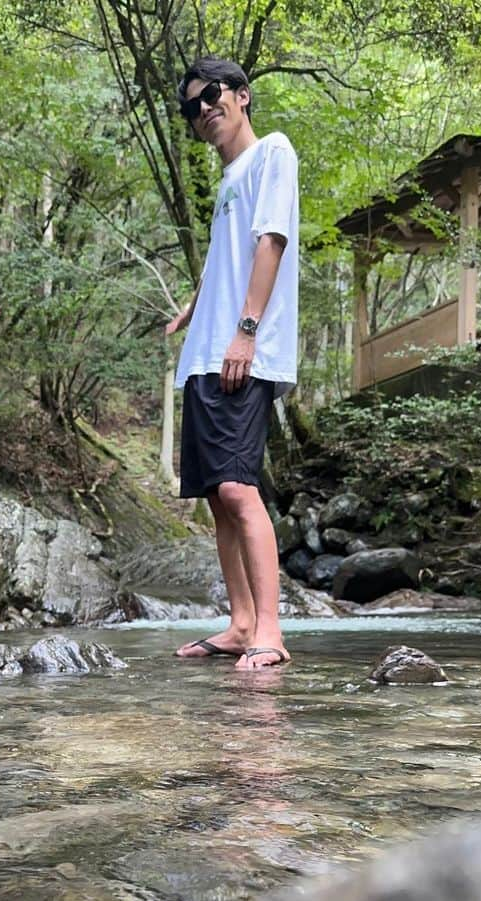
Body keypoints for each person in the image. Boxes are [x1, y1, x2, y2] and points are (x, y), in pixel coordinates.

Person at [165, 58, 298, 670]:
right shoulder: (228, 181)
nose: (203, 111)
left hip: (241, 353)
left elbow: (271, 240)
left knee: (240, 489)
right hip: (205, 356)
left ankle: (270, 631)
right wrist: (198, 302)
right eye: (192, 107)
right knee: (217, 497)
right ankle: (242, 622)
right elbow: (233, 250)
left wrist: (245, 330)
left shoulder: (273, 152)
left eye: (210, 96)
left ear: (241, 96)